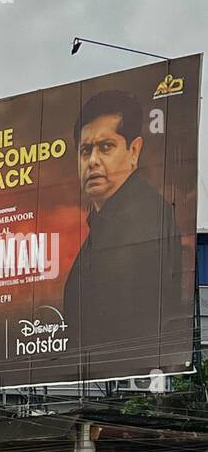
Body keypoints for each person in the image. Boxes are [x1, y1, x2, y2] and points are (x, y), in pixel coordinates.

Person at [63, 88, 189, 371]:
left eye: (105, 147)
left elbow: (132, 320)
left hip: (133, 381)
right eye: (85, 150)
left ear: (134, 151)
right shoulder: (105, 221)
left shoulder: (143, 217)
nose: (92, 160)